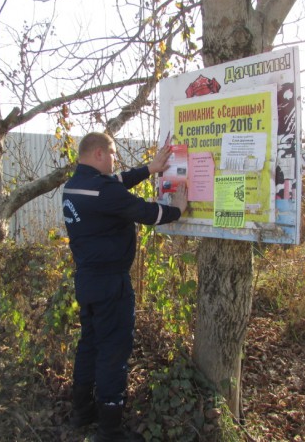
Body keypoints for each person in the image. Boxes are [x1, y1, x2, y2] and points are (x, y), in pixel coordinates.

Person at [62, 132, 188, 442]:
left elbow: (114, 183)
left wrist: (149, 168)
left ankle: (82, 412)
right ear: (100, 154)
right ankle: (110, 431)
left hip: (87, 281)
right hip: (110, 286)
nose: (116, 161)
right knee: (113, 354)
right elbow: (149, 213)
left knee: (89, 345)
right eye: (114, 154)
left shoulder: (74, 186)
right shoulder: (104, 191)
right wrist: (178, 209)